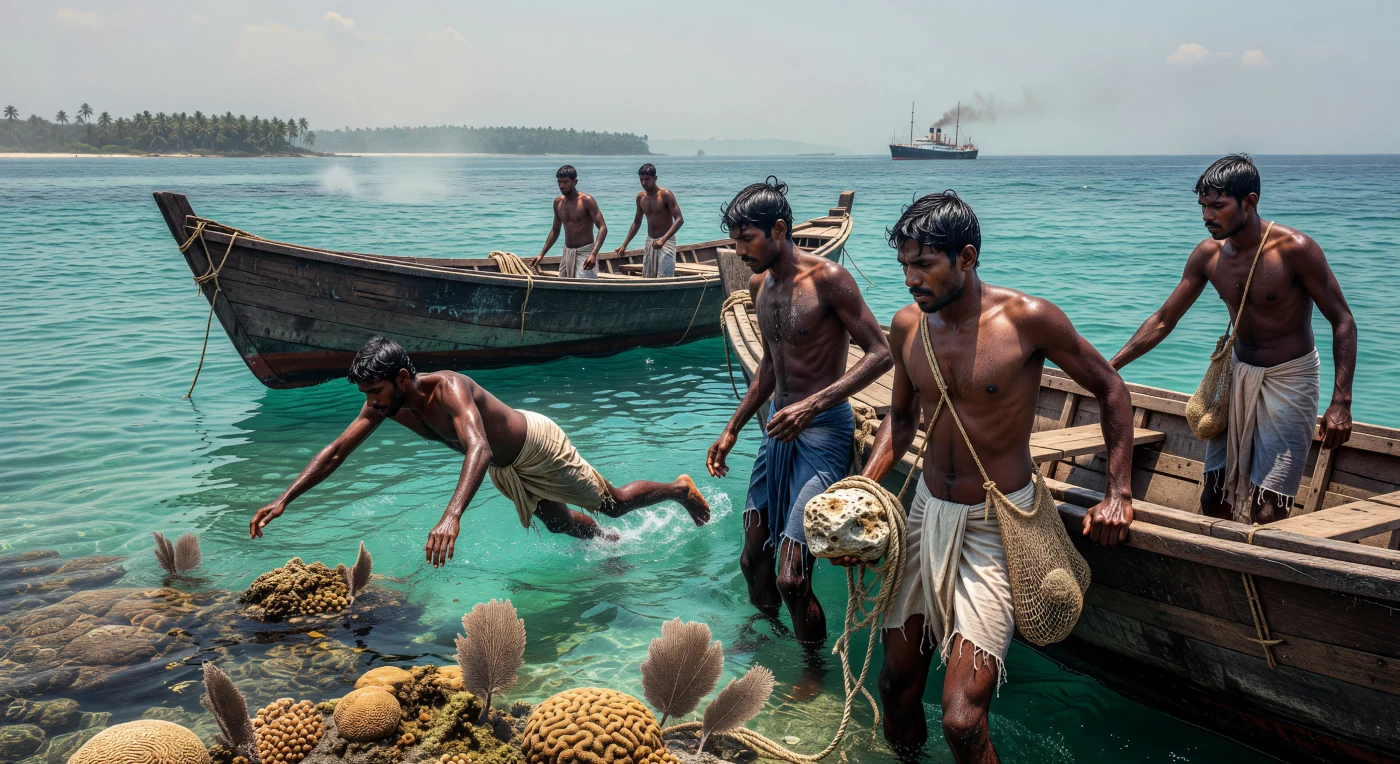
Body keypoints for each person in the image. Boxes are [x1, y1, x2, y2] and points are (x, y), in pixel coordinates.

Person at [849, 192, 1135, 763]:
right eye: (904, 265)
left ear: (967, 257)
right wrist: (865, 488)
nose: (910, 280)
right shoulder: (908, 326)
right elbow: (900, 420)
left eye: (924, 265)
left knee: (961, 720)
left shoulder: (1029, 320)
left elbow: (1110, 388)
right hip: (925, 514)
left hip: (996, 524)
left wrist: (1118, 492)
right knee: (895, 686)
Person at [250, 337, 710, 566]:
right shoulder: (384, 405)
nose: (370, 401)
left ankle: (680, 490)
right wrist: (284, 499)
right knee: (557, 523)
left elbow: (479, 447)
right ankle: (612, 548)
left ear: (402, 378)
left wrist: (451, 516)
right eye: (367, 393)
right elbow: (336, 452)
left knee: (614, 503)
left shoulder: (449, 388)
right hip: (504, 466)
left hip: (535, 445)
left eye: (375, 391)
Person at [1110, 154, 1356, 524]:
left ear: (1249, 201)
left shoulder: (1294, 249)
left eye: (1217, 206)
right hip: (1236, 376)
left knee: (1269, 508)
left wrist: (1341, 402)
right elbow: (1163, 320)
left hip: (1290, 379)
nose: (1207, 216)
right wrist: (1109, 367)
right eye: (1203, 206)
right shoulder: (1208, 255)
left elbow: (1343, 320)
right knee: (1213, 497)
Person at [705, 177, 893, 647]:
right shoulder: (759, 285)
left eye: (747, 239)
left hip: (824, 432)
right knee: (752, 559)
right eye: (735, 241)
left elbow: (880, 354)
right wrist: (732, 428)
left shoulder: (829, 280)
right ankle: (768, 636)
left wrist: (812, 405)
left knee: (792, 577)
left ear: (778, 230)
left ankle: (812, 668)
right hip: (776, 431)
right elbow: (770, 365)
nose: (739, 251)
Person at [530, 165, 608, 279]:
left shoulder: (586, 201)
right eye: (559, 182)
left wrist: (593, 254)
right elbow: (555, 230)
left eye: (565, 182)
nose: (561, 185)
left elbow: (603, 227)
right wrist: (542, 254)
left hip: (585, 252)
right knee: (563, 284)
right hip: (567, 252)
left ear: (575, 182)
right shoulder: (558, 202)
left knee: (584, 285)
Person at [613, 163, 684, 277]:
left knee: (665, 276)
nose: (643, 183)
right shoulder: (640, 197)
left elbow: (679, 219)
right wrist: (624, 245)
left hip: (666, 241)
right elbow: (637, 222)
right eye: (641, 180)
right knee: (648, 276)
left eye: (647, 180)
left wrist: (663, 240)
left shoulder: (665, 195)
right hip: (650, 241)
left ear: (655, 178)